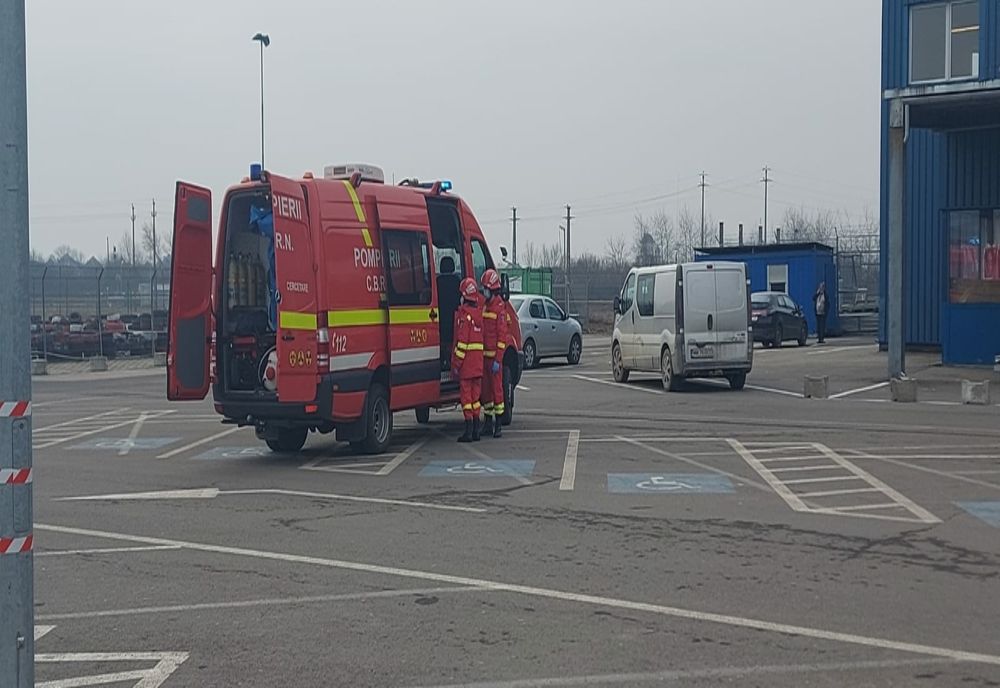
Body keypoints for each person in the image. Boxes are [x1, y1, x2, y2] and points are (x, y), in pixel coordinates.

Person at [452, 277, 484, 442]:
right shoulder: (479, 316)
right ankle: (476, 430)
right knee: (475, 399)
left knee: (466, 400)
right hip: (478, 365)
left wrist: (456, 364)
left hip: (467, 367)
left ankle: (469, 431)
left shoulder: (465, 318)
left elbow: (462, 344)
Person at [480, 269, 509, 439]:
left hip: (494, 359)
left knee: (497, 392)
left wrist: (498, 359)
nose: (484, 291)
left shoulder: (499, 309)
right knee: (486, 393)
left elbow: (501, 337)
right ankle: (488, 421)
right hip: (483, 357)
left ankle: (498, 424)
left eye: (486, 288)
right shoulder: (485, 305)